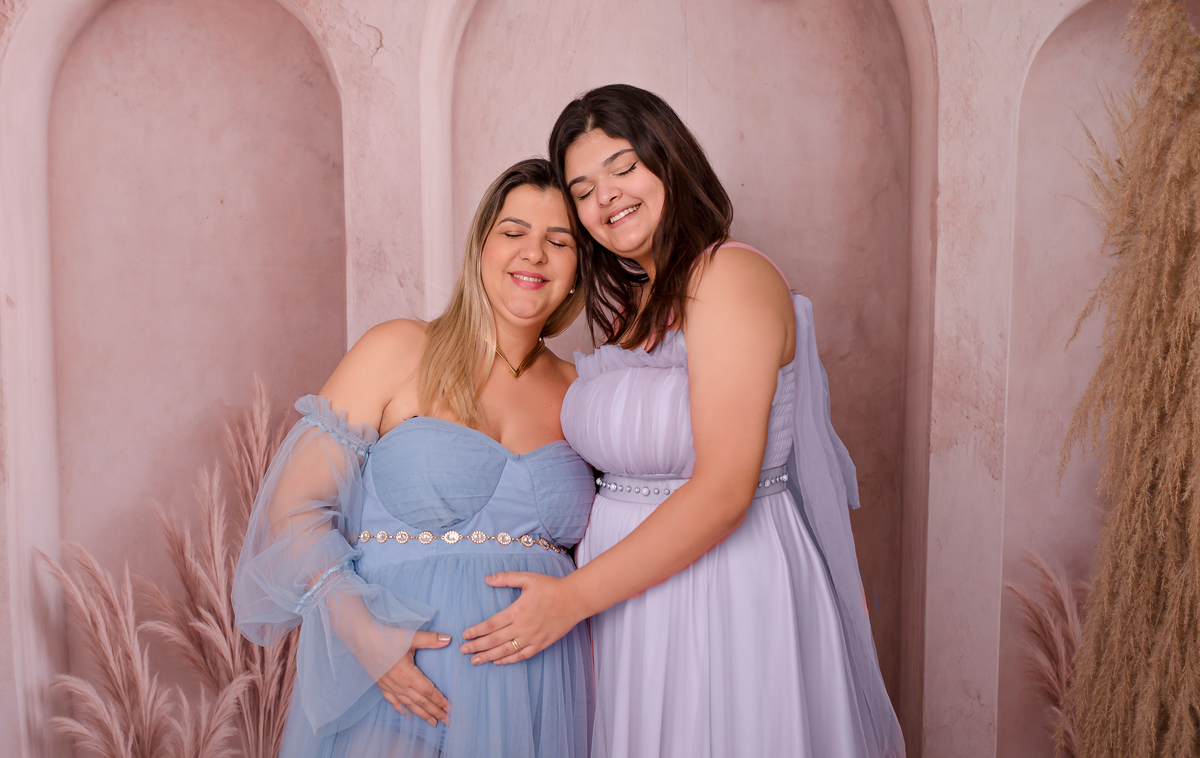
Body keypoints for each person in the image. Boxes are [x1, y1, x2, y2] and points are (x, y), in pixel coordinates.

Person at [460, 85, 905, 757]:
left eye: (623, 167)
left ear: (668, 160)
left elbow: (725, 489)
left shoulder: (729, 276)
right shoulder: (634, 312)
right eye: (583, 190)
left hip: (720, 590)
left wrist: (571, 599)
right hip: (624, 601)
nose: (606, 196)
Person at [232, 158, 594, 758]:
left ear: (579, 268)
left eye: (559, 241)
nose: (534, 253)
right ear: (480, 247)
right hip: (401, 685)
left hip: (541, 689)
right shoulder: (398, 349)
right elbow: (294, 508)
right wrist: (366, 638)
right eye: (514, 232)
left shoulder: (584, 393)